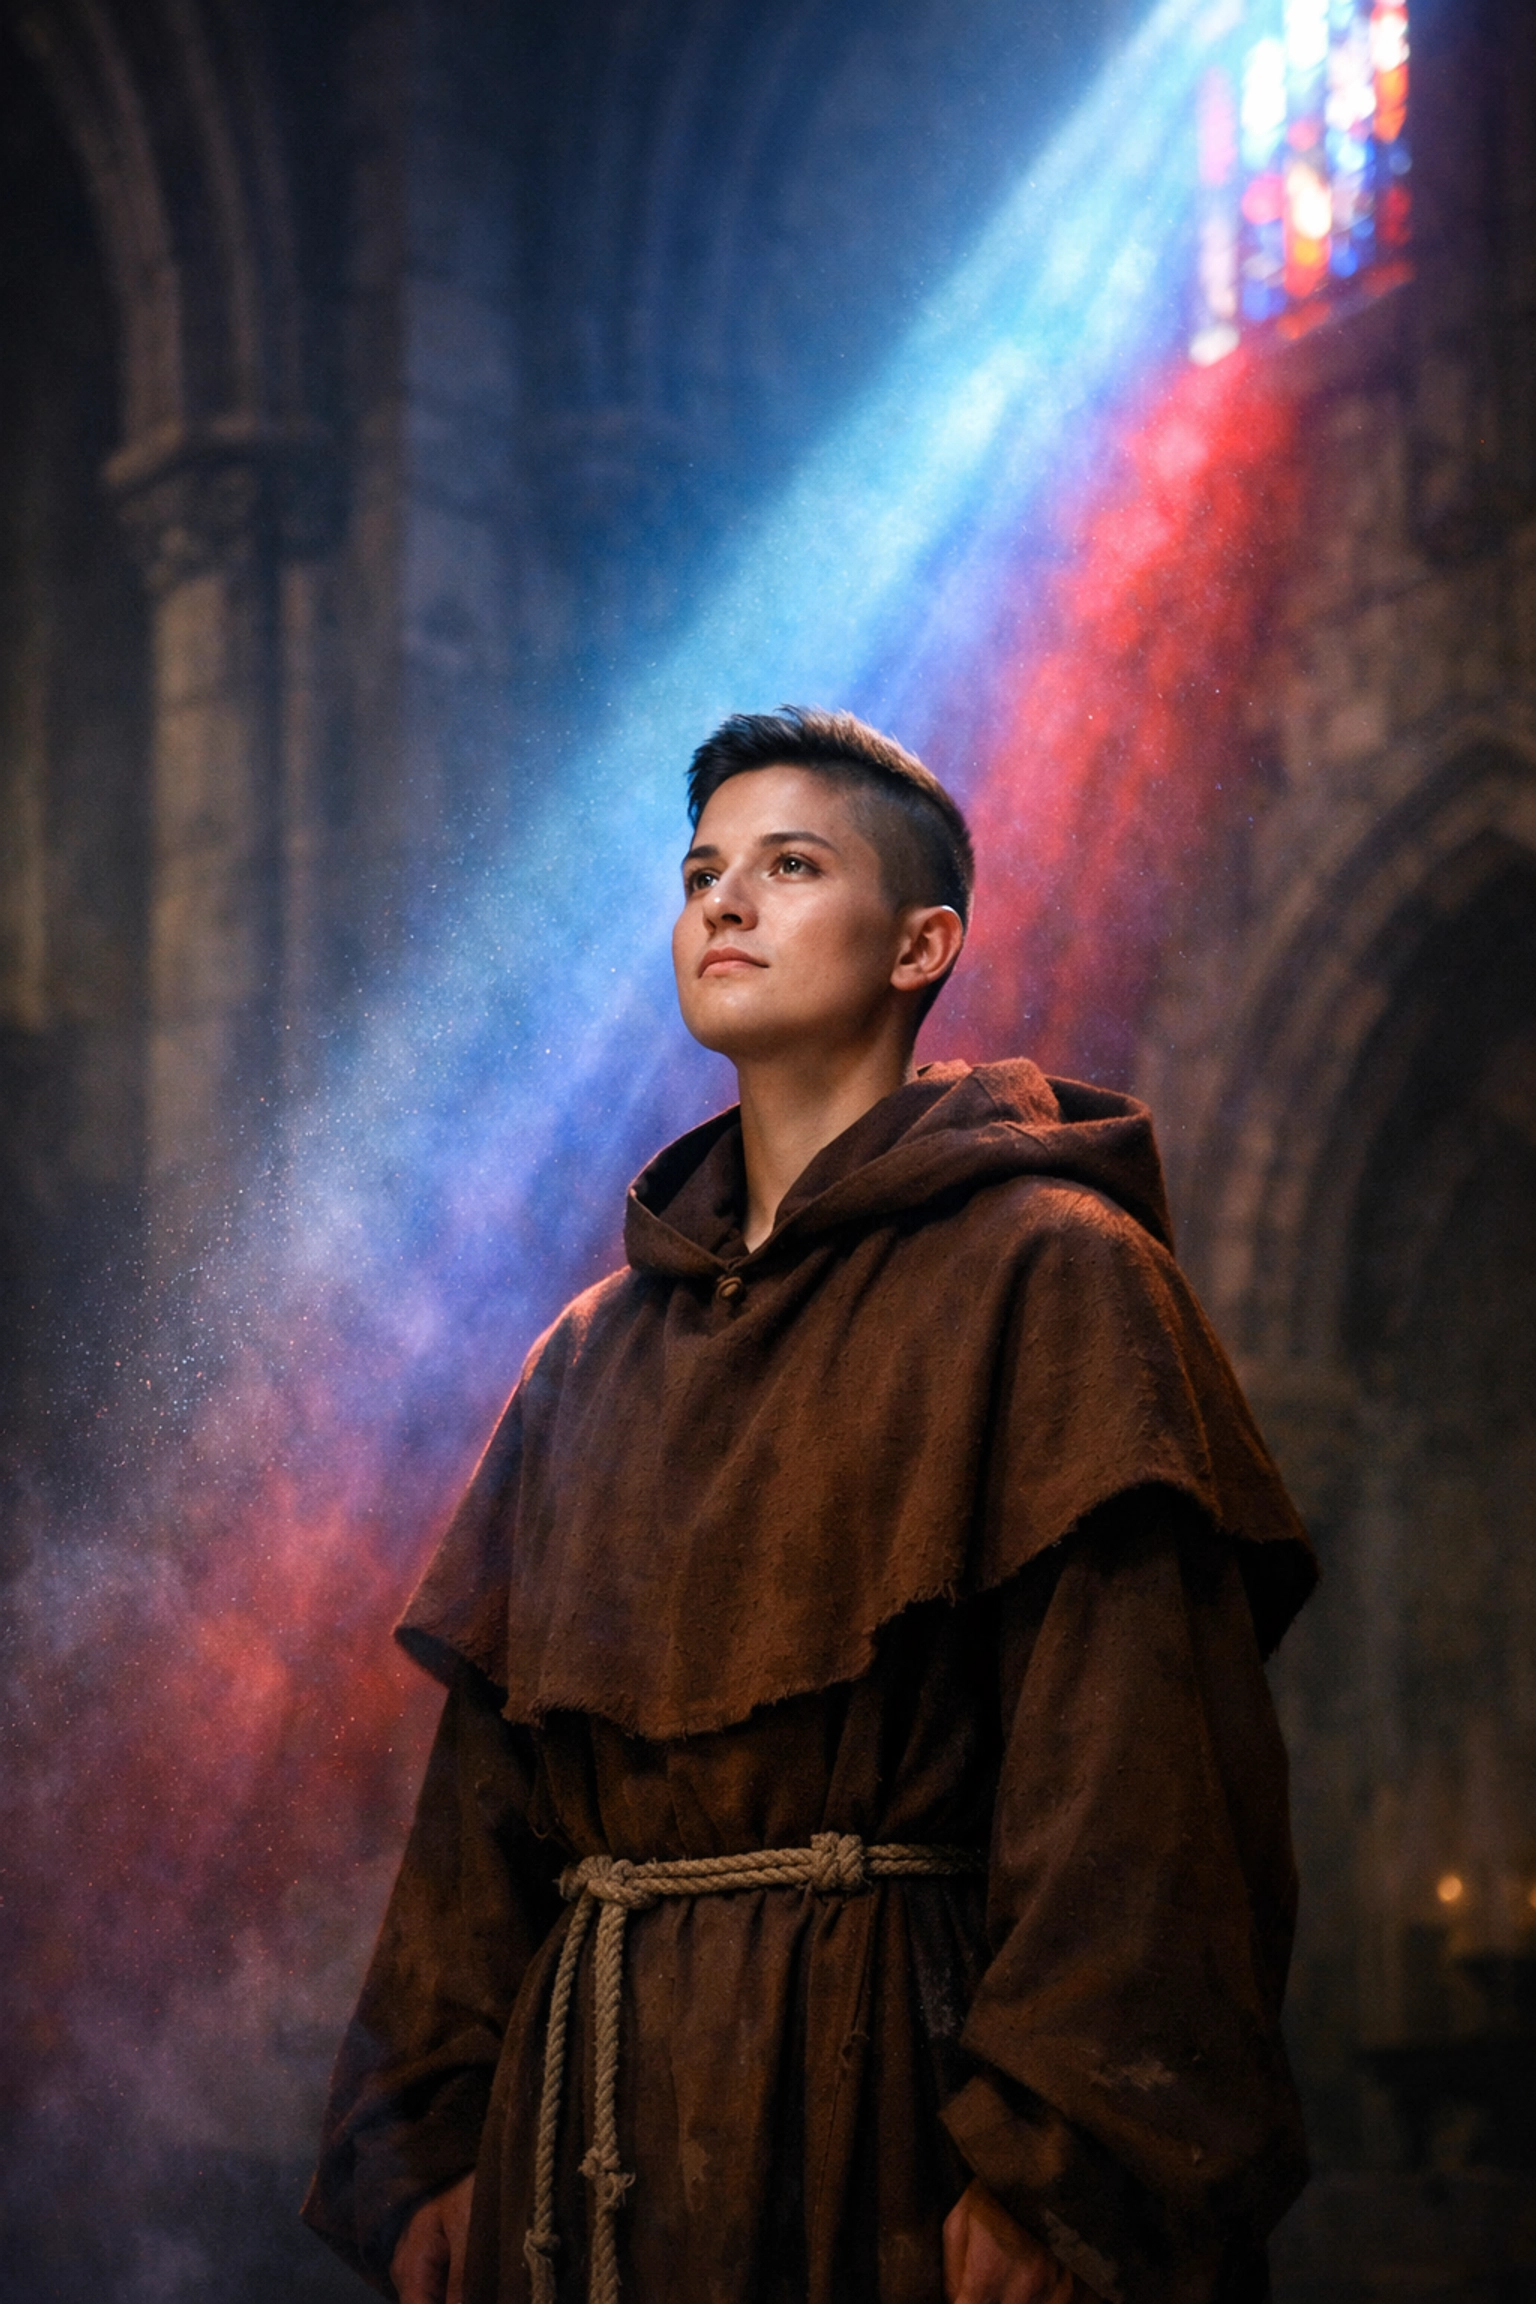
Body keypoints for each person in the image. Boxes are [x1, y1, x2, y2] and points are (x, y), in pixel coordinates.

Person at [303, 707, 1316, 2304]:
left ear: (925, 943)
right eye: (703, 870)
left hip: (893, 2112)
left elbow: (1142, 1768)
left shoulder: (1055, 1274)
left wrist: (1065, 2173)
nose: (724, 903)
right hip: (586, 2147)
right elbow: (480, 1810)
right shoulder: (590, 1353)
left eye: (789, 864)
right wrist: (422, 2144)